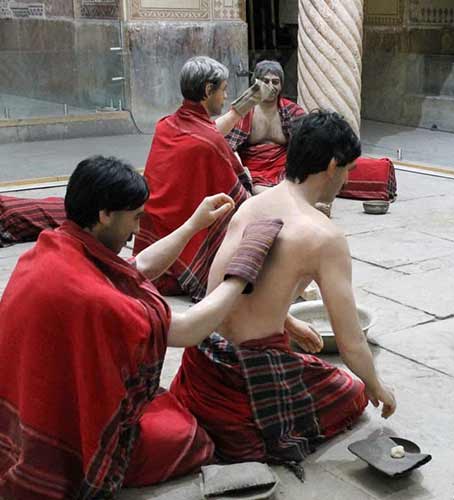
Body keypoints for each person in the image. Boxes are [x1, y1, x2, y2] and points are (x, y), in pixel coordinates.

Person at [0, 156, 284, 498]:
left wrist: (194, 224)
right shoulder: (92, 296)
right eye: (134, 218)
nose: (137, 230)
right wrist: (242, 271)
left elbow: (135, 267)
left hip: (20, 411)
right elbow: (187, 329)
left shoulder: (56, 248)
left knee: (163, 409)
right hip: (52, 430)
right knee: (189, 437)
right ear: (105, 214)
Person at [170, 111, 396, 465]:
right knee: (350, 392)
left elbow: (228, 289)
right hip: (247, 382)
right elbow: (351, 344)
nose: (348, 178)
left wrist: (288, 323)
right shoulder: (325, 236)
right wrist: (377, 386)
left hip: (204, 367)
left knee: (303, 358)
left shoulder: (251, 205)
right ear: (333, 166)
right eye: (349, 169)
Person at [135, 56, 269, 300]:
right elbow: (237, 198)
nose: (226, 96)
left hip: (153, 237)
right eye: (224, 90)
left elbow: (206, 132)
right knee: (251, 219)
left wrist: (242, 107)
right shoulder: (208, 143)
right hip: (179, 248)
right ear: (208, 90)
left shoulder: (165, 125)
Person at [222, 60, 306, 192]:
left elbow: (307, 144)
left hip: (285, 170)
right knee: (260, 191)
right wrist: (241, 171)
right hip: (254, 172)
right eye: (265, 82)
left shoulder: (293, 111)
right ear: (256, 83)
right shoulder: (243, 112)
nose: (270, 86)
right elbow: (226, 146)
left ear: (281, 84)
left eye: (275, 82)